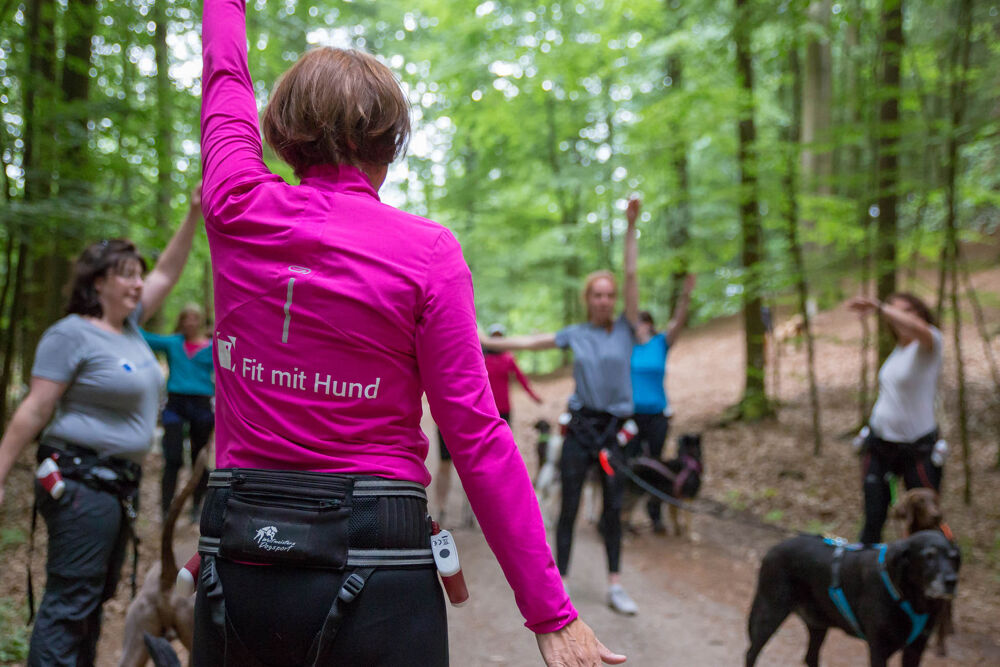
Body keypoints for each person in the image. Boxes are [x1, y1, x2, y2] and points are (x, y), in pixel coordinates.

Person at [195, 2, 624, 665]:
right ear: (391, 142)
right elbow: (476, 436)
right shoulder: (426, 253)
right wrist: (550, 612)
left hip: (244, 547)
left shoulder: (235, 205)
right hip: (379, 552)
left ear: (281, 132)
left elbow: (224, 73)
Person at [0, 188, 202, 666]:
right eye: (126, 275)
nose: (138, 284)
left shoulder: (130, 329)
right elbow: (35, 408)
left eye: (138, 276)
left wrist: (194, 211)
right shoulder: (72, 333)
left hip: (115, 488)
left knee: (91, 603)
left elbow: (169, 271)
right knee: (70, 604)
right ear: (97, 283)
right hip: (78, 483)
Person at [483, 198, 643, 616]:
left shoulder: (627, 330)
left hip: (615, 430)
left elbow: (630, 274)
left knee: (611, 508)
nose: (606, 300)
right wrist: (484, 339)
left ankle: (615, 584)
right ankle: (563, 584)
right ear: (588, 299)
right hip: (582, 426)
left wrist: (630, 227)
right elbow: (528, 343)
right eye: (598, 295)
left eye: (610, 295)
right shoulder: (577, 333)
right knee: (568, 504)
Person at [847, 293, 944, 544]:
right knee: (873, 517)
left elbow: (917, 328)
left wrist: (880, 306)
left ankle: (930, 576)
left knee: (925, 523)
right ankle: (865, 573)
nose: (901, 317)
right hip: (880, 445)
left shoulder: (930, 343)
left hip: (918, 448)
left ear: (920, 314)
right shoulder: (898, 352)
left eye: (908, 311)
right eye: (897, 312)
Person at [433, 325, 543, 523]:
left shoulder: (507, 359)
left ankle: (480, 510)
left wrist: (535, 397)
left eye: (501, 336)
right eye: (495, 336)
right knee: (446, 463)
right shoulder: (476, 357)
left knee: (486, 461)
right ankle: (441, 508)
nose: (498, 340)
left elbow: (521, 378)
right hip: (472, 412)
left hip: (500, 414)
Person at [628, 273, 695, 533]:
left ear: (649, 324)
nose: (638, 327)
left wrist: (685, 297)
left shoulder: (660, 344)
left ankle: (655, 516)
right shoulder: (627, 347)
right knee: (632, 464)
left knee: (656, 465)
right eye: (635, 323)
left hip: (657, 416)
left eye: (642, 322)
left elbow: (678, 322)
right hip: (630, 417)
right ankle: (626, 516)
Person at [141, 303, 214, 520]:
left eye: (194, 318)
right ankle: (166, 510)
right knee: (172, 458)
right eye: (186, 318)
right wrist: (137, 312)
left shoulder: (213, 347)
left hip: (201, 405)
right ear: (181, 322)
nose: (190, 322)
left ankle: (196, 507)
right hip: (175, 404)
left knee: (199, 458)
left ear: (200, 321)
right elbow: (143, 337)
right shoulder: (173, 343)